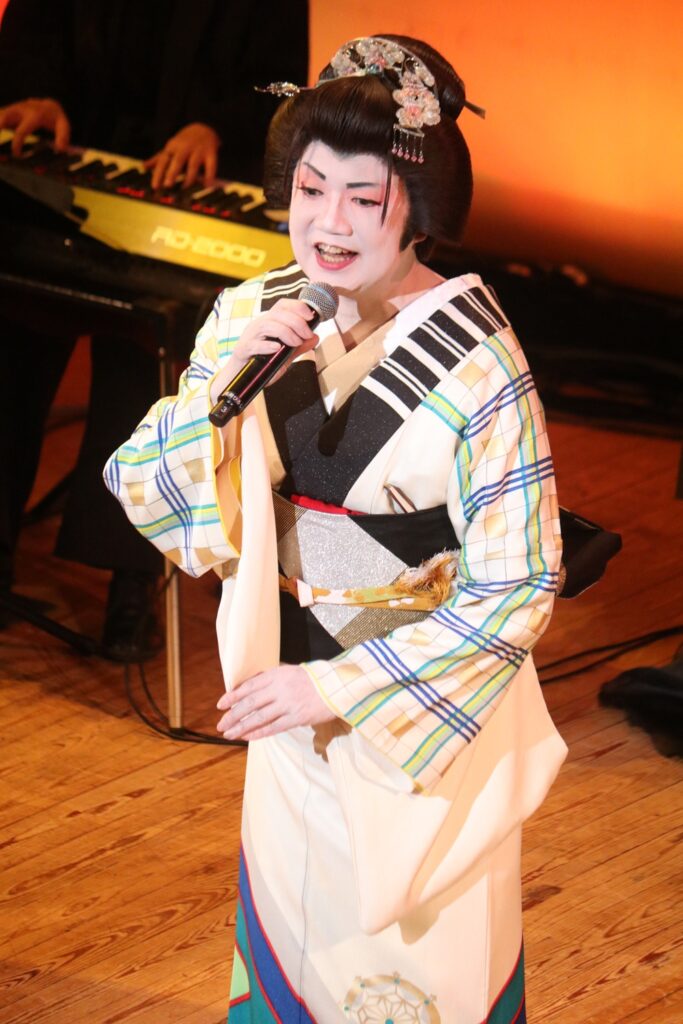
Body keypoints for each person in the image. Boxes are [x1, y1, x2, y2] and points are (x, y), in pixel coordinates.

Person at [105, 35, 568, 1022]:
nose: (327, 223)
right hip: (288, 693)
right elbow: (140, 481)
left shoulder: (484, 367)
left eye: (363, 199)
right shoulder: (253, 313)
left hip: (412, 714)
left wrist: (333, 686)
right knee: (289, 939)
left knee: (413, 967)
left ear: (422, 209)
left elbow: (517, 582)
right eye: (311, 190)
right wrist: (221, 399)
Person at [0, 0, 309, 658]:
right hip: (62, 167)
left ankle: (130, 590)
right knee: (11, 369)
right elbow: (34, 25)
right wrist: (39, 94)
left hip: (187, 196)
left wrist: (214, 127)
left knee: (140, 381)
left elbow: (279, 82)